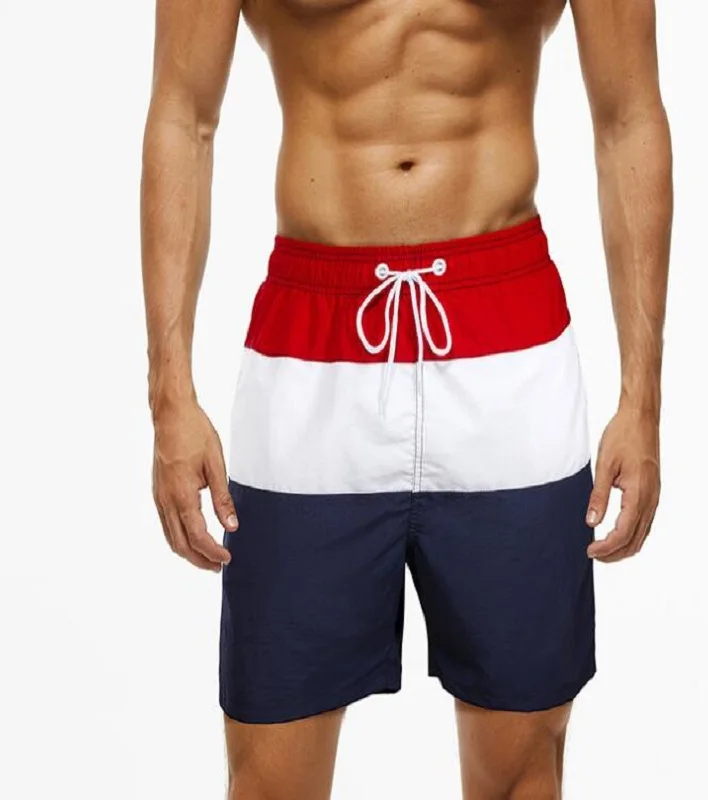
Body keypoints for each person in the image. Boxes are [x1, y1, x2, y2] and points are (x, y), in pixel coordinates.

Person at [141, 0, 671, 796]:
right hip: (312, 353)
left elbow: (628, 118)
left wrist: (643, 400)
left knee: (523, 768)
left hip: (507, 347)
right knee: (270, 771)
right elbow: (184, 117)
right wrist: (169, 396)